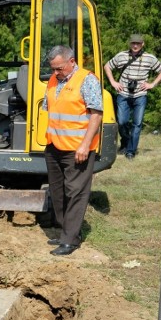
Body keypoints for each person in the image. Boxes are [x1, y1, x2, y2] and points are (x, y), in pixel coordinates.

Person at [42, 45, 104, 256]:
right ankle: (64, 231)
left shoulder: (87, 80)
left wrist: (85, 144)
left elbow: (96, 114)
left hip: (77, 148)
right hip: (54, 146)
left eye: (59, 68)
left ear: (72, 61)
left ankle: (70, 240)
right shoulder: (53, 80)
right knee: (58, 192)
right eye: (53, 69)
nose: (56, 72)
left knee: (75, 192)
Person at [103, 34, 161, 160]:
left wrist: (152, 84)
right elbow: (107, 66)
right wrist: (113, 82)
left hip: (140, 95)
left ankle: (130, 151)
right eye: (133, 43)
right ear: (130, 43)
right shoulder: (121, 56)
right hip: (123, 94)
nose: (135, 45)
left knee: (137, 124)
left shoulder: (149, 58)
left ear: (142, 44)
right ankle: (126, 142)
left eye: (138, 43)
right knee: (122, 122)